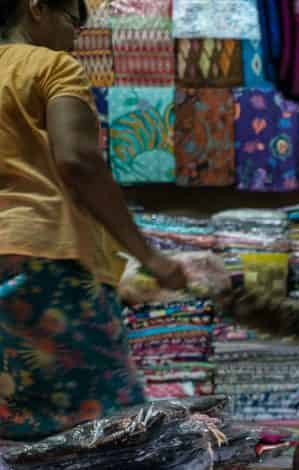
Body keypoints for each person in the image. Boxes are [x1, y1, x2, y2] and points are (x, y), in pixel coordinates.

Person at [0, 0, 186, 440]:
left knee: (18, 420)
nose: (78, 35)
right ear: (36, 8)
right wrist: (147, 255)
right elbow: (78, 159)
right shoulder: (50, 67)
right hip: (44, 262)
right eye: (73, 21)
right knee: (112, 426)